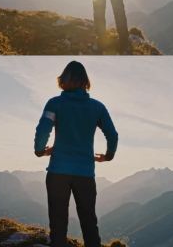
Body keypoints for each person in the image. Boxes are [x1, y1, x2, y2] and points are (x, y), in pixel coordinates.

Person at [34, 61, 119, 247]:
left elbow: (43, 130)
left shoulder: (54, 103)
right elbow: (112, 135)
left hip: (58, 172)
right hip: (85, 173)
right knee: (89, 222)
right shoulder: (98, 108)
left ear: (63, 80)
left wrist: (40, 151)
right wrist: (108, 156)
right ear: (85, 82)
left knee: (58, 223)